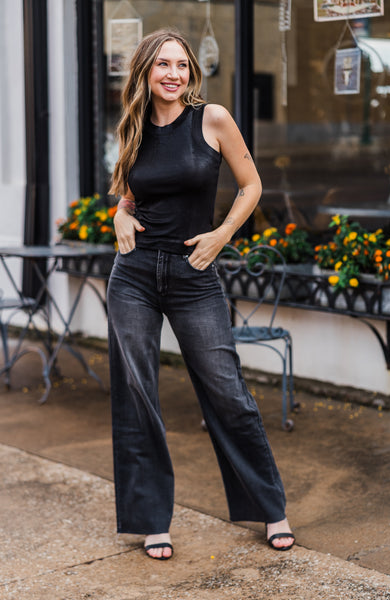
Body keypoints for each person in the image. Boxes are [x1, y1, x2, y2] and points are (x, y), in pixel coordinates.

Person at [107, 28, 294, 560]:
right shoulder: (135, 127)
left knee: (228, 393)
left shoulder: (210, 119)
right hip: (134, 275)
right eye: (163, 64)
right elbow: (129, 195)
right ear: (145, 71)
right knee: (137, 393)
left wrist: (221, 234)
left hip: (193, 274)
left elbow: (251, 184)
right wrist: (120, 215)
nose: (174, 73)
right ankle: (150, 521)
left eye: (182, 65)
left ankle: (270, 507)